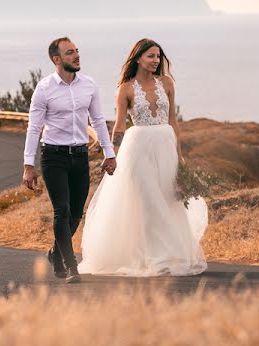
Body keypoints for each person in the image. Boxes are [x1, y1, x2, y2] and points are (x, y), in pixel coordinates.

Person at [77, 38, 207, 277]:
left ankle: (170, 254)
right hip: (138, 149)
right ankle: (152, 258)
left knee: (168, 200)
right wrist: (110, 154)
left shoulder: (167, 83)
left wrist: (180, 157)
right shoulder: (125, 88)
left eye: (158, 56)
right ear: (138, 58)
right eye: (151, 56)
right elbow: (119, 127)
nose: (156, 60)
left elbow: (173, 121)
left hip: (166, 146)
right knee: (148, 202)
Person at [23, 37, 117, 283]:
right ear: (57, 59)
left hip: (80, 156)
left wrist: (110, 153)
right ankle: (71, 266)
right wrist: (28, 165)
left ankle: (55, 254)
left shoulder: (89, 85)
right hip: (53, 157)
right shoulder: (44, 89)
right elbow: (34, 128)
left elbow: (98, 122)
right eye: (70, 53)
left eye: (77, 51)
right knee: (61, 211)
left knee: (76, 213)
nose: (77, 56)